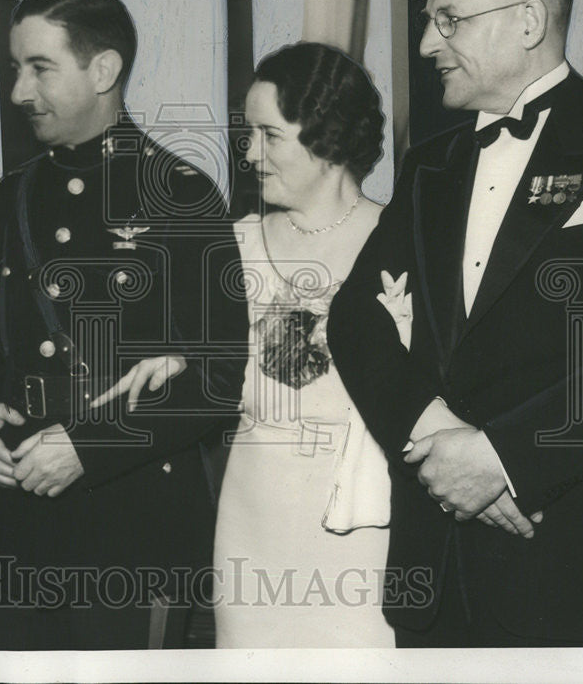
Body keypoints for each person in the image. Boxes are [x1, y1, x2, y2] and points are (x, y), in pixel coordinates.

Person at [328, 0, 583, 647]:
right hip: (437, 581)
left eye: (449, 19)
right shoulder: (429, 167)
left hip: (582, 573)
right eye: (426, 21)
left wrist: (505, 459)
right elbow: (355, 321)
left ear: (529, 22)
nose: (426, 43)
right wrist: (440, 439)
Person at [0, 0, 247, 650]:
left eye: (39, 68)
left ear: (103, 70)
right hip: (16, 533)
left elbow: (218, 377)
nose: (18, 92)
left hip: (132, 532)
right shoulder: (9, 200)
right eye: (15, 68)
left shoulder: (181, 193)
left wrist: (88, 448)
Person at [105, 43, 396, 647]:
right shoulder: (229, 246)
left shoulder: (398, 240)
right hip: (255, 513)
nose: (249, 153)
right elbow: (209, 359)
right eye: (247, 134)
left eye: (269, 135)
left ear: (328, 135)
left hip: (363, 521)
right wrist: (179, 356)